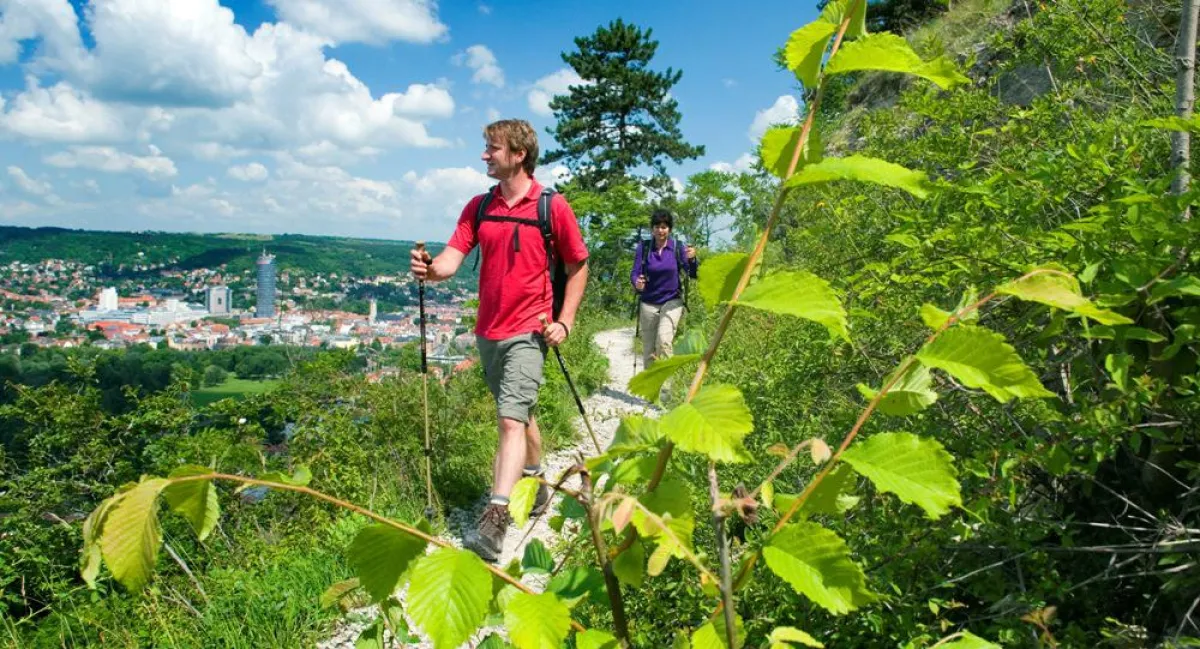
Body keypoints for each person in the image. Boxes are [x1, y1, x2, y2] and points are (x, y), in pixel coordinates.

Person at [410, 119, 589, 562]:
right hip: (488, 331)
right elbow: (452, 260)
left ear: (519, 154)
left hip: (530, 330)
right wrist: (429, 270)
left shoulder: (552, 207)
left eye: (492, 148)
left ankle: (495, 519)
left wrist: (565, 322)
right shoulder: (478, 206)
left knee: (509, 420)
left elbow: (578, 265)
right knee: (519, 412)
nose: (484, 155)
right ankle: (537, 478)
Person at [631, 209, 698, 369]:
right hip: (648, 302)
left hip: (672, 301)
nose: (660, 230)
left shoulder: (678, 248)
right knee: (648, 351)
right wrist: (637, 283)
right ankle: (651, 391)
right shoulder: (644, 247)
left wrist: (692, 258)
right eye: (657, 227)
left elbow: (693, 273)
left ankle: (666, 391)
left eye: (664, 227)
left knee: (664, 342)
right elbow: (635, 273)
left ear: (669, 229)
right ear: (652, 229)